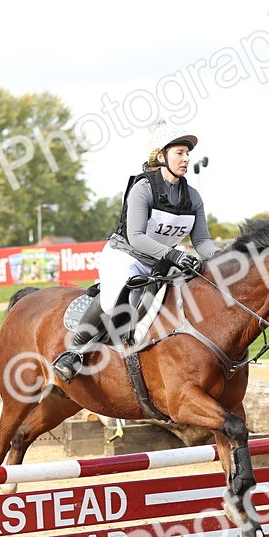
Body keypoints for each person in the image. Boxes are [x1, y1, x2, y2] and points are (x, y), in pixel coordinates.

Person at [52, 121, 218, 382]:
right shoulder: (143, 188)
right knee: (111, 298)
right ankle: (74, 351)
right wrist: (174, 254)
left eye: (188, 154)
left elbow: (203, 241)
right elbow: (136, 237)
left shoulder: (193, 196)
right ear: (160, 156)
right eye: (180, 153)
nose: (186, 159)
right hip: (125, 256)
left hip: (160, 264)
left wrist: (221, 258)